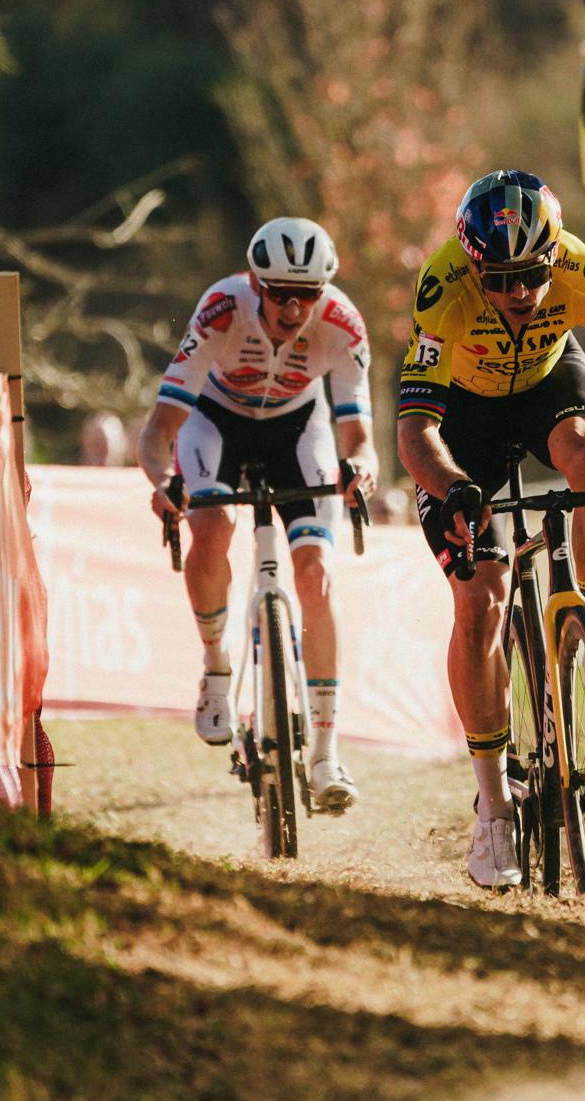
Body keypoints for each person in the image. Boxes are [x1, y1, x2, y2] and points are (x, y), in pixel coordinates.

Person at [396, 169, 585, 890]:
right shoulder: (442, 290)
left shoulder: (583, 273)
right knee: (480, 601)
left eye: (530, 274)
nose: (517, 293)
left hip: (551, 382)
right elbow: (414, 430)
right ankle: (493, 805)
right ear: (472, 267)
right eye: (498, 278)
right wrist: (454, 487)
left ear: (552, 257)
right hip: (465, 413)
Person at [137, 218, 378, 814]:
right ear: (255, 284)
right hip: (216, 422)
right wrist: (162, 482)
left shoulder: (343, 325)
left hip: (300, 429)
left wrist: (361, 469)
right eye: (279, 294)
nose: (295, 309)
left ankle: (325, 751)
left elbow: (358, 437)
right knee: (211, 529)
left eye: (308, 295)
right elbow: (158, 430)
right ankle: (217, 666)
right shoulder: (220, 310)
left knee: (316, 574)